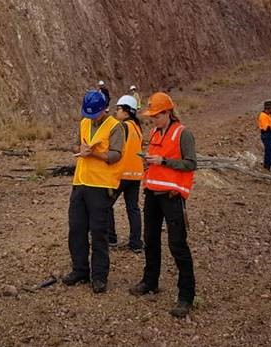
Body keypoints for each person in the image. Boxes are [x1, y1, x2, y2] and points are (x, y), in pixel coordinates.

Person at [129, 92, 197, 318]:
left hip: (172, 197)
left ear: (168, 113)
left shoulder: (183, 133)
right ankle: (150, 281)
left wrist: (164, 161)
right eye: (151, 116)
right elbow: (155, 161)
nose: (153, 120)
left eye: (157, 116)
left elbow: (190, 164)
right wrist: (148, 162)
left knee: (177, 245)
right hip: (152, 194)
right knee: (150, 240)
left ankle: (186, 297)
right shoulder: (155, 132)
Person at [64, 90, 124, 293]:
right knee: (76, 228)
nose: (91, 118)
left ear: (103, 109)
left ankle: (99, 276)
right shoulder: (84, 123)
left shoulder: (115, 126)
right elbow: (74, 145)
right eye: (88, 114)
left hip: (101, 186)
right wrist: (78, 148)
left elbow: (116, 155)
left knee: (98, 232)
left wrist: (95, 154)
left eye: (94, 114)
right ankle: (79, 270)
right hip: (80, 182)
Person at [107, 95, 145, 253]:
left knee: (106, 204)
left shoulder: (123, 127)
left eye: (119, 109)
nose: (116, 111)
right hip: (136, 174)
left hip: (121, 174)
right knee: (133, 208)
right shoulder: (137, 127)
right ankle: (136, 243)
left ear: (128, 111)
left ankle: (110, 239)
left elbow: (117, 150)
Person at [258, 100, 271, 173]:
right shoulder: (263, 116)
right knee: (269, 152)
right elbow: (266, 128)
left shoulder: (268, 115)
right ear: (268, 108)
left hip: (269, 135)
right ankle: (267, 167)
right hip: (267, 135)